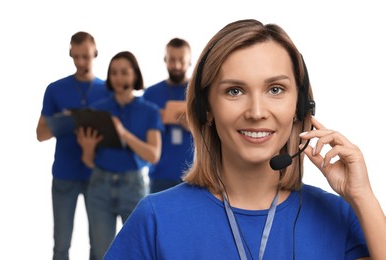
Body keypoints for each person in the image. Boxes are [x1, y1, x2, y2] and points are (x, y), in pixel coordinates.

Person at [103, 19, 386, 259]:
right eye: (235, 91)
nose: (257, 112)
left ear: (301, 107)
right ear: (207, 108)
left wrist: (363, 197)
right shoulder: (155, 219)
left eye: (275, 89)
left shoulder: (340, 216)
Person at [76, 51, 164, 260]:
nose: (118, 78)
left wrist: (123, 133)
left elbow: (153, 155)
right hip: (100, 186)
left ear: (135, 75)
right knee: (101, 253)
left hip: (133, 187)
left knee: (140, 253)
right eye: (114, 73)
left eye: (124, 72)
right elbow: (88, 161)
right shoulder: (98, 111)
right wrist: (87, 148)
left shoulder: (149, 111)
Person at [36, 31, 109, 260]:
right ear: (70, 53)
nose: (81, 63)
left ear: (95, 54)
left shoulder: (108, 90)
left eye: (85, 57)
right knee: (61, 244)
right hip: (64, 174)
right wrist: (66, 120)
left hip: (98, 175)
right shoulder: (54, 89)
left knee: (100, 246)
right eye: (76, 57)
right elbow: (40, 134)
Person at [143, 37, 194, 193]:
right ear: (165, 60)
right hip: (159, 174)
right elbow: (138, 130)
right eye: (172, 60)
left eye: (181, 60)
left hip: (193, 174)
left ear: (190, 62)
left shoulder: (199, 92)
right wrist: (156, 118)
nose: (177, 65)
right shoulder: (150, 94)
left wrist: (193, 125)